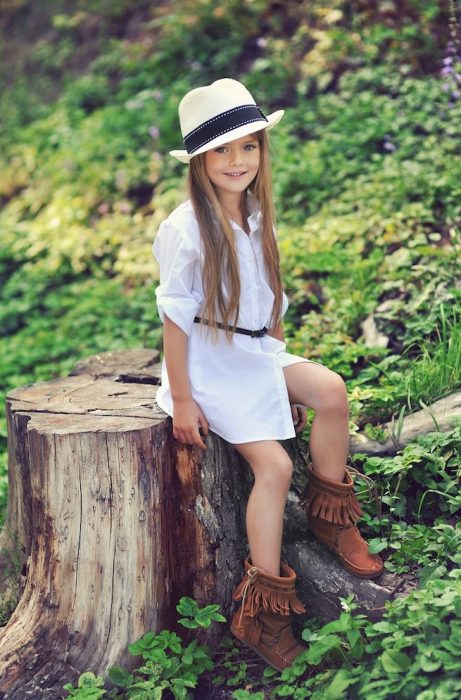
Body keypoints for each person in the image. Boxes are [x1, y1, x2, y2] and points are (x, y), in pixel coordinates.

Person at [152, 78, 383, 671]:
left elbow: (268, 305)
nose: (237, 161)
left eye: (248, 146)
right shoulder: (187, 228)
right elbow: (176, 323)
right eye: (222, 150)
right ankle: (264, 612)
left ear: (261, 151)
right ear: (200, 160)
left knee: (330, 390)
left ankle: (331, 520)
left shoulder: (257, 215)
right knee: (275, 464)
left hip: (255, 356)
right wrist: (181, 400)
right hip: (209, 365)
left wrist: (286, 374)